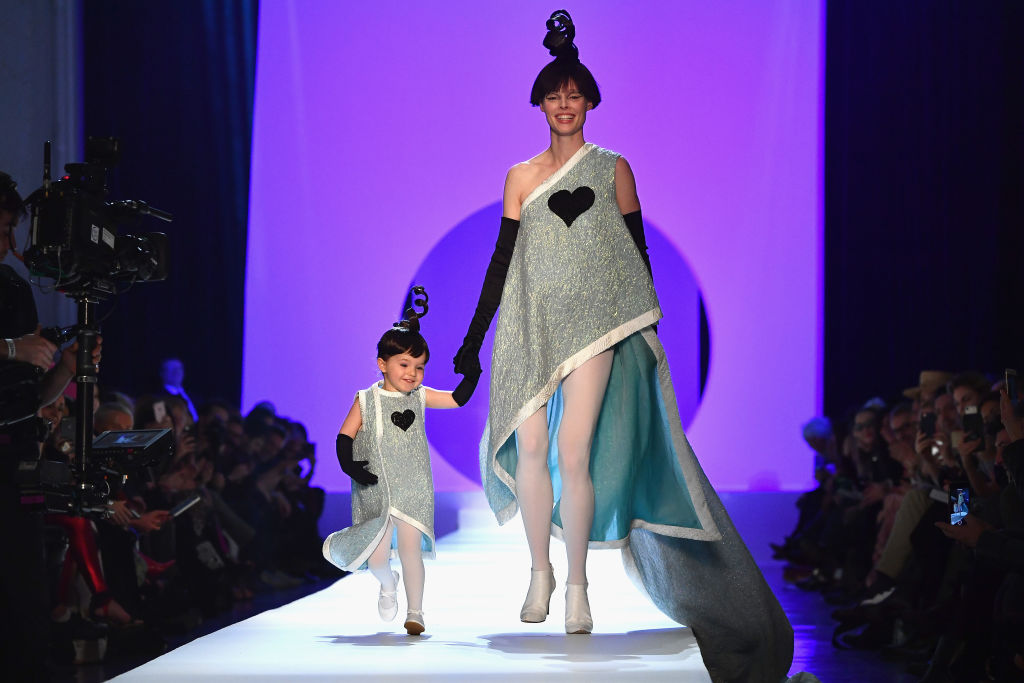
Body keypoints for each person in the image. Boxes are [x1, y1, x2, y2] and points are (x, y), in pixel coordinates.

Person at [453, 13, 795, 682]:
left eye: (575, 93)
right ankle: (541, 573)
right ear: (540, 103)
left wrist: (645, 326)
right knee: (527, 449)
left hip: (598, 325)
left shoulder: (614, 169)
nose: (564, 103)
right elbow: (502, 262)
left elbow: (633, 252)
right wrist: (472, 340)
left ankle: (578, 584)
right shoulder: (519, 177)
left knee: (574, 450)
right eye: (554, 94)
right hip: (528, 326)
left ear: (590, 101)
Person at [323, 288, 480, 635]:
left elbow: (456, 399)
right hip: (375, 488)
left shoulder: (421, 397)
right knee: (378, 558)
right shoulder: (366, 399)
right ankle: (387, 582)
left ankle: (416, 612)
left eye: (419, 366)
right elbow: (344, 436)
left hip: (414, 487)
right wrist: (350, 467)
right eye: (404, 364)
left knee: (411, 551)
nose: (413, 373)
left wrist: (472, 375)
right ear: (383, 364)